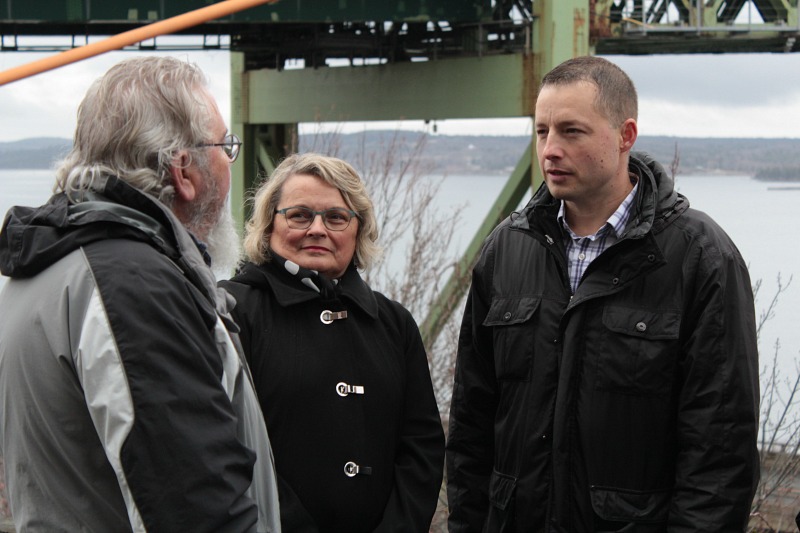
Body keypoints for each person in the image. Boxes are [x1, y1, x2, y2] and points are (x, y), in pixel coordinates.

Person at [446, 56, 760, 531]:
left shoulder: (700, 257)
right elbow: (472, 426)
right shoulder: (506, 249)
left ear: (625, 135)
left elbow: (719, 452)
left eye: (571, 131)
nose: (550, 150)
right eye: (541, 131)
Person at [0, 56, 281, 533]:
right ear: (183, 172)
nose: (230, 163)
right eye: (225, 147)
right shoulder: (133, 287)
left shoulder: (47, 266)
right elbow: (195, 509)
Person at [219, 153, 445, 532]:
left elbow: (421, 447)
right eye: (300, 215)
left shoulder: (394, 324)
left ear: (358, 230)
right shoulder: (233, 313)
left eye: (336, 217)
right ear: (268, 224)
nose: (318, 229)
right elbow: (227, 446)